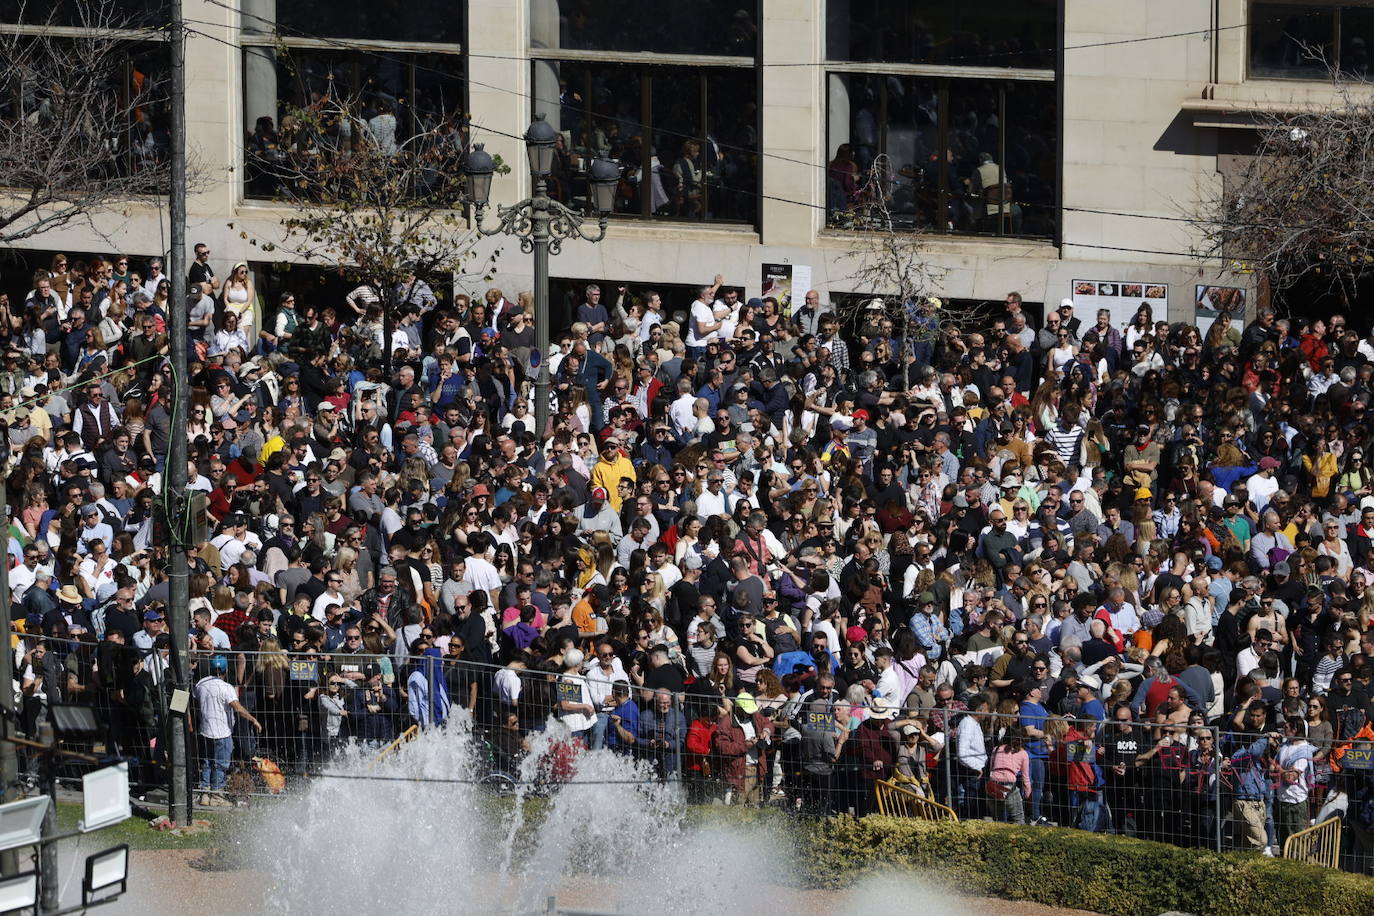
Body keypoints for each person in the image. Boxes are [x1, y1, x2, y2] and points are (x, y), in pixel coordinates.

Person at [194, 655, 261, 805]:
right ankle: (217, 795)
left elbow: (195, 701)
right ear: (225, 670)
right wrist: (253, 719)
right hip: (222, 731)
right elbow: (237, 707)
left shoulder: (200, 684)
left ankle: (205, 792)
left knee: (207, 762)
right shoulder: (226, 688)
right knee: (221, 763)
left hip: (204, 729)